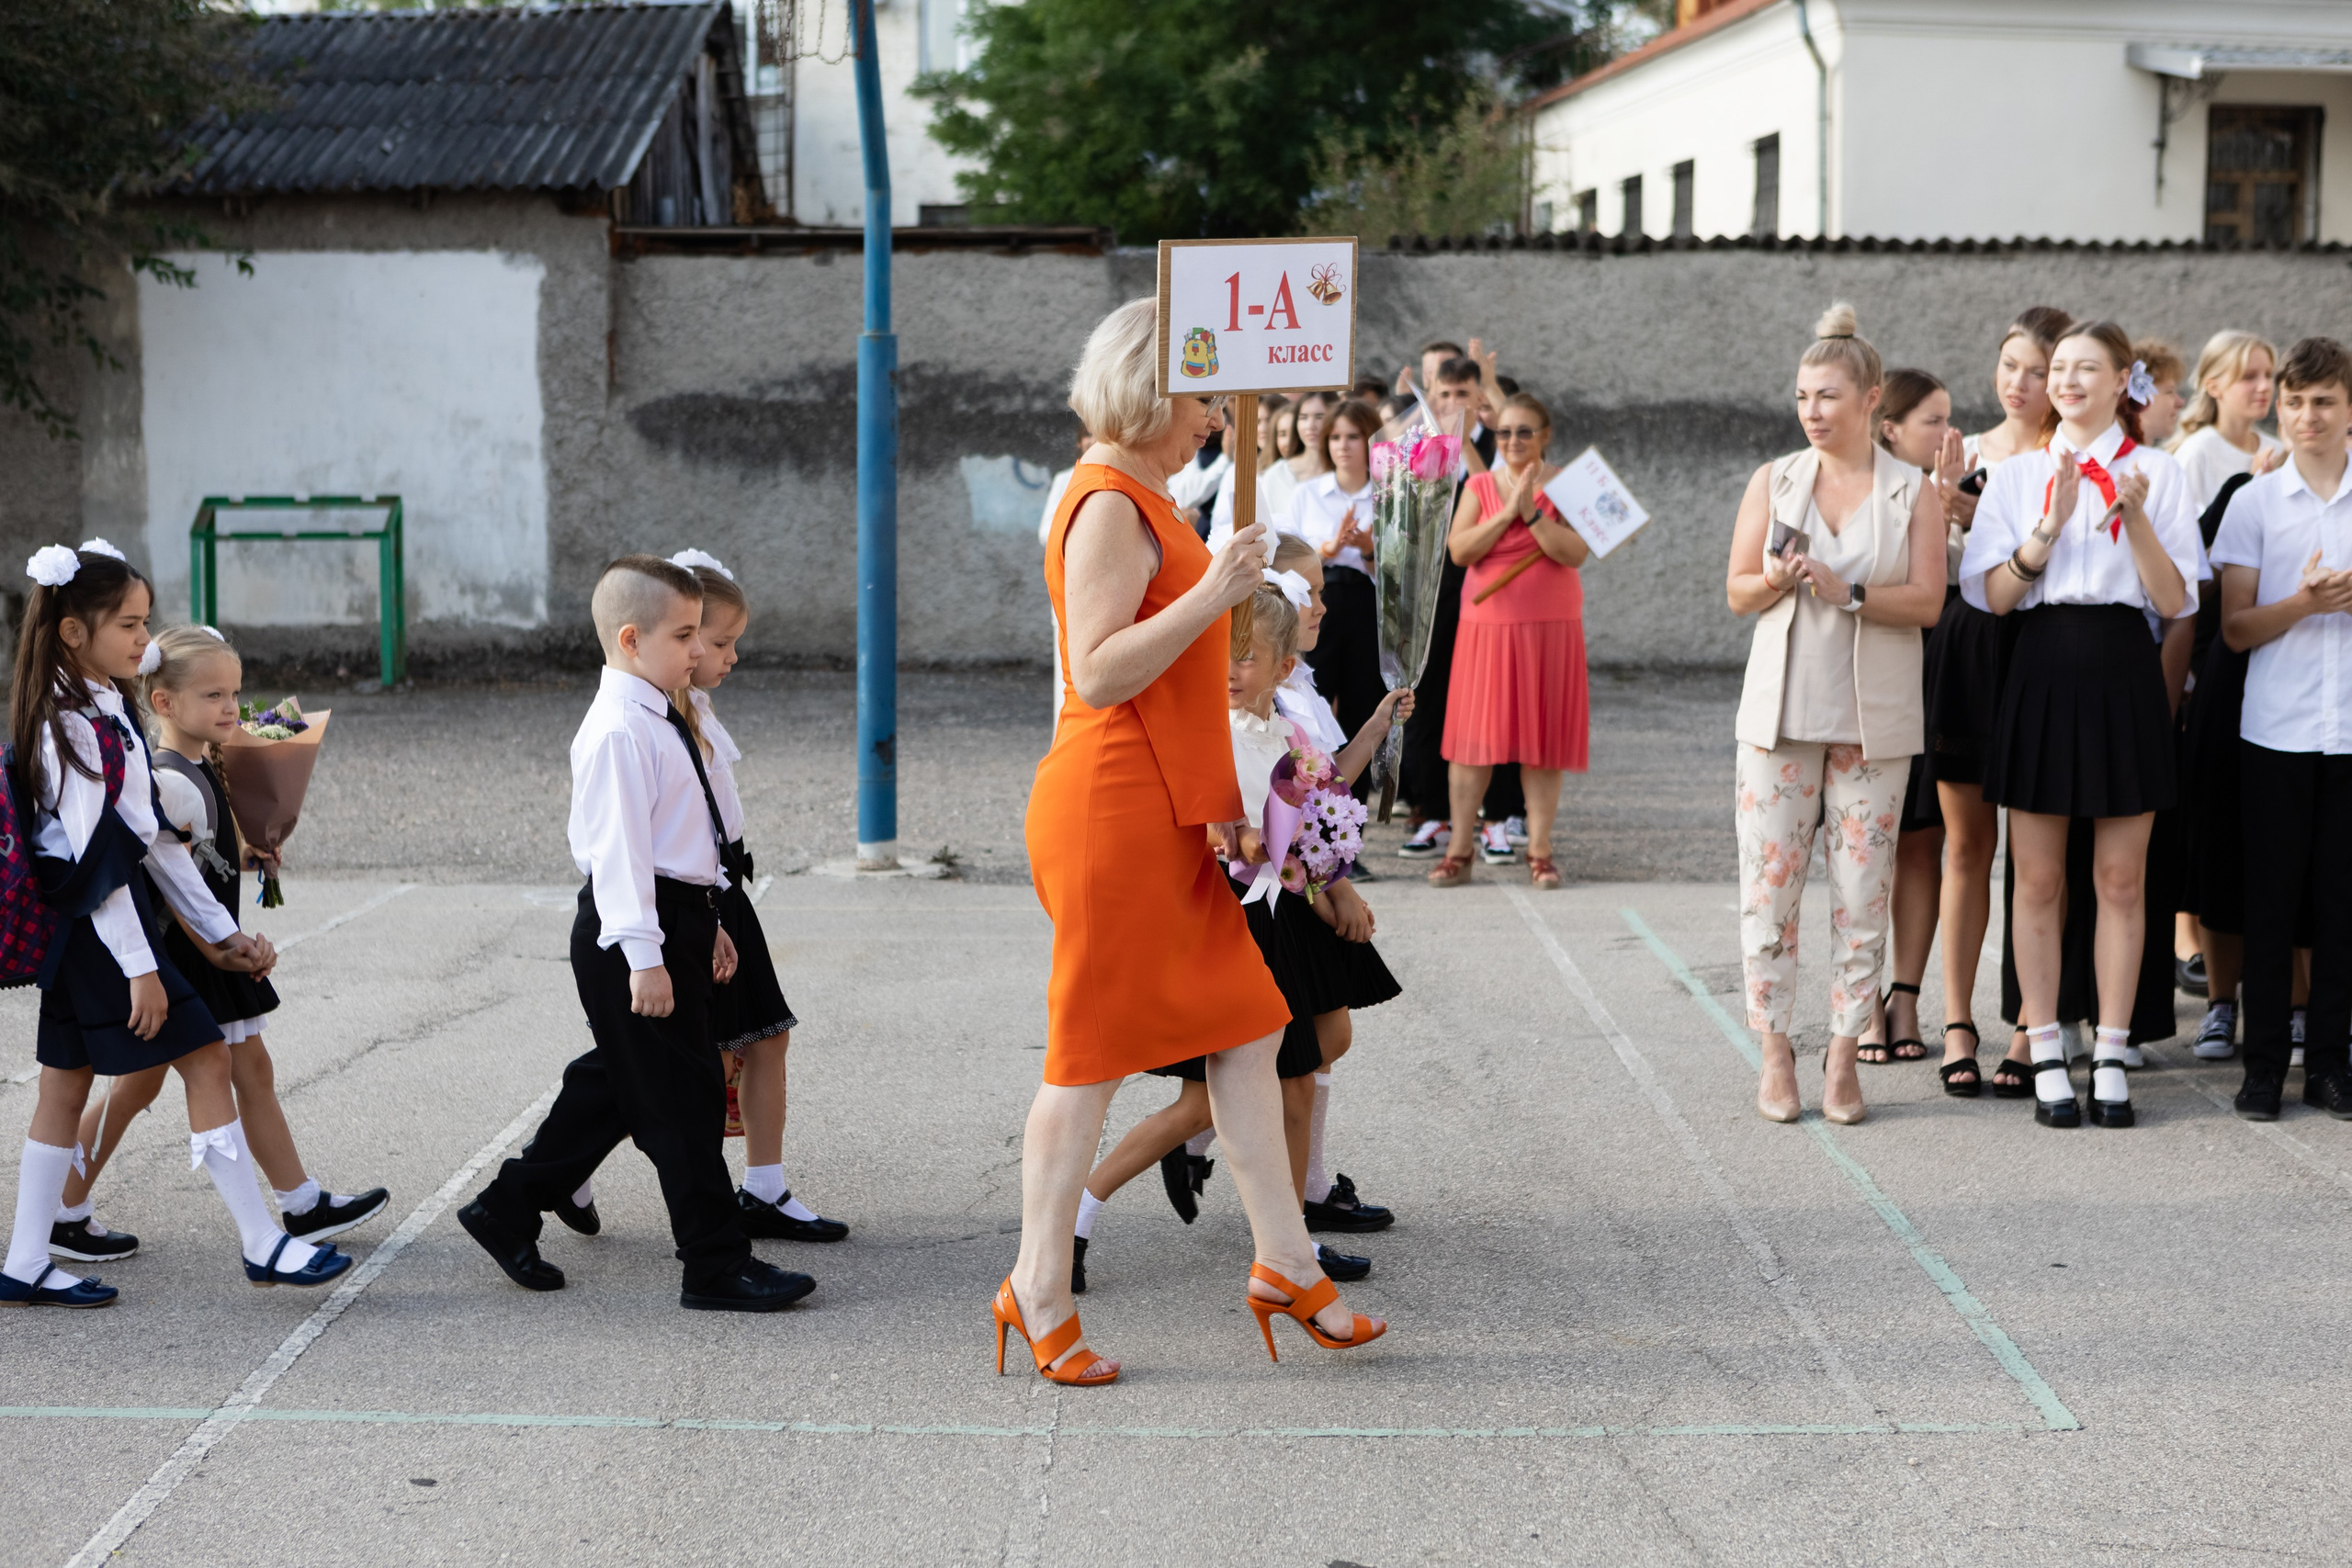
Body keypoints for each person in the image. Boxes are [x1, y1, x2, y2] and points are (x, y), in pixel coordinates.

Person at [1007, 298, 1385, 1384]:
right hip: (1110, 809)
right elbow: (1102, 668)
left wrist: (1220, 793)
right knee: (1085, 1062)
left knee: (1249, 1030)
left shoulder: (1144, 498)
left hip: (1164, 805)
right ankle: (1037, 1286)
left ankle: (1284, 1262)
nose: (1218, 418)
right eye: (1205, 395)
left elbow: (1174, 686)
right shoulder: (1108, 502)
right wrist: (1218, 589)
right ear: (1151, 388)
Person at [458, 555, 814, 1313]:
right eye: (685, 634)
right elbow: (618, 857)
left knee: (627, 1082)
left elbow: (684, 839)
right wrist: (645, 958)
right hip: (636, 926)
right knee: (681, 1101)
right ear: (630, 638)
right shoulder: (622, 728)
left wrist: (711, 918)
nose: (697, 649)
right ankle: (715, 1265)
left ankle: (507, 1205)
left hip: (675, 915)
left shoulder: (656, 709)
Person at [3, 544, 345, 1308]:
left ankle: (27, 1258)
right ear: (70, 633)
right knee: (203, 1060)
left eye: (145, 621)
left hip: (90, 934)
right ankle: (263, 1242)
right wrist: (142, 966)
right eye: (127, 624)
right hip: (99, 932)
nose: (144, 640)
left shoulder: (105, 708)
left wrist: (220, 936)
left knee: (64, 1089)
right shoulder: (76, 725)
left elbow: (155, 844)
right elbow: (101, 866)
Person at [1070, 580, 1400, 1294]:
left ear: (1284, 668)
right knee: (1210, 1099)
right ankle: (1078, 1214)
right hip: (1224, 919)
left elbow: (1314, 808)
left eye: (1245, 657)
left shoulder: (1286, 732)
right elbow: (1211, 829)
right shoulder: (1206, 733)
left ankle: (1287, 1239)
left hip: (1277, 919)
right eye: (1219, 652)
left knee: (1308, 1065)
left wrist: (1330, 874)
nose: (1227, 669)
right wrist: (1257, 847)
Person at [47, 625, 390, 1263]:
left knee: (227, 1073)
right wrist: (221, 947)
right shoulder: (169, 781)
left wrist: (253, 857)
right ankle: (63, 1210)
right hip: (184, 960)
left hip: (204, 953)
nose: (232, 708)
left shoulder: (207, 766)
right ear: (163, 702)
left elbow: (202, 862)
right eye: (213, 695)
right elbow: (165, 887)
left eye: (235, 693)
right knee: (139, 1087)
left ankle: (298, 1199)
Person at [561, 554, 844, 1247]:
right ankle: (556, 1170)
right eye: (709, 641)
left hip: (716, 896)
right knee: (671, 1067)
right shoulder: (638, 724)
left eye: (711, 640)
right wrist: (658, 943)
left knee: (758, 1037)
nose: (719, 655)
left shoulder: (684, 711)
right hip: (682, 905)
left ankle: (762, 1188)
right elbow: (623, 850)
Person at [1962, 321, 2200, 1131]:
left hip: (2124, 666)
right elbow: (1992, 596)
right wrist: (2050, 525)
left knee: (2122, 881)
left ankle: (2111, 1050)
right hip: (2041, 662)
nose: (2064, 380)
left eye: (2083, 367)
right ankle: (2045, 1048)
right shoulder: (2017, 473)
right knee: (2037, 879)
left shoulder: (2160, 474)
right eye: (2056, 367)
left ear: (2123, 379)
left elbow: (2175, 605)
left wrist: (2132, 519)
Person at [1724, 306, 1943, 1126]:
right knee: (1769, 889)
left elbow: (1927, 602)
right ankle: (1775, 1050)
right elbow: (1738, 588)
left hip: (1873, 720)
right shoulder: (1774, 479)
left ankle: (1845, 1055)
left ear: (1871, 399)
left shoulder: (1910, 489)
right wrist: (1782, 580)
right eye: (1801, 395)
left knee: (1862, 892)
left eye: (1827, 394)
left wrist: (1847, 591)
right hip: (1780, 715)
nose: (1811, 410)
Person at [2210, 335, 2352, 1121]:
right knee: (2270, 905)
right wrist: (2306, 603)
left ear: (2350, 408)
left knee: (2341, 906)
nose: (2306, 416)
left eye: (2323, 401)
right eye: (2295, 402)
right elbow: (2233, 629)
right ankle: (2262, 1065)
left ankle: (2327, 1063)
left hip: (2350, 734)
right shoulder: (2255, 501)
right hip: (2277, 732)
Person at [1931, 305, 2070, 1097]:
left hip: (2045, 650)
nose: (2021, 383)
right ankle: (1957, 1019)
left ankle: (2031, 1021)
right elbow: (1946, 568)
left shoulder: (2066, 457)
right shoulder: (1963, 451)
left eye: (2040, 371)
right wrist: (1945, 514)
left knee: (2038, 855)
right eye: (2011, 364)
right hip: (1972, 649)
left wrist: (1989, 519)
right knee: (1965, 844)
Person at [1428, 392, 1590, 890]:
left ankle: (1539, 850)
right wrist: (1507, 514)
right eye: (1504, 432)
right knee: (1473, 741)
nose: (1513, 440)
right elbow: (1459, 550)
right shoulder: (1479, 484)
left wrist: (1535, 515)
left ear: (1545, 435)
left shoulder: (1569, 484)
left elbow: (1577, 552)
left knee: (1543, 742)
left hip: (1551, 624)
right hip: (1487, 626)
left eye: (1524, 431)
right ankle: (1460, 849)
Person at [1857, 369, 1961, 1067]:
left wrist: (1955, 514)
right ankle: (1859, 999)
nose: (1948, 433)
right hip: (1867, 673)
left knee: (1923, 840)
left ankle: (1906, 996)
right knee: (1863, 845)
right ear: (1890, 426)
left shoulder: (1950, 493)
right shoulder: (1858, 486)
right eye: (1932, 420)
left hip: (1936, 675)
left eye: (1950, 418)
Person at [1401, 354, 1521, 860]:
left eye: (1463, 394)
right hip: (1435, 586)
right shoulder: (1420, 444)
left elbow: (1495, 496)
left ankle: (1501, 814)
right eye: (1443, 394)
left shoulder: (1504, 446)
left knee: (1498, 704)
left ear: (1481, 399)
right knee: (1429, 698)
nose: (1453, 404)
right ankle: (1433, 812)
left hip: (1495, 588)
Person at [1284, 398, 1391, 760]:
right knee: (1310, 702)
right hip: (1317, 607)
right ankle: (1306, 795)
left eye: (1353, 437)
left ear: (1371, 441)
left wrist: (1368, 549)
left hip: (1366, 610)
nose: (1343, 446)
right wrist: (1327, 550)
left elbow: (1399, 578)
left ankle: (1351, 811)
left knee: (1362, 705)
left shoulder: (1388, 495)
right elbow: (1286, 563)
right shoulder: (1307, 493)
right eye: (1335, 437)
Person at [2171, 331, 2284, 506]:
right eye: (2249, 377)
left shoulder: (2278, 450)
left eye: (2269, 375)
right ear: (2213, 387)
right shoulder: (2196, 453)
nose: (2264, 386)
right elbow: (2188, 530)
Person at [1209, 390, 1327, 545]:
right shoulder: (1237, 472)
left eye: (1269, 420)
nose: (1264, 429)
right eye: (1258, 421)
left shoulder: (1305, 471)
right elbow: (1221, 524)